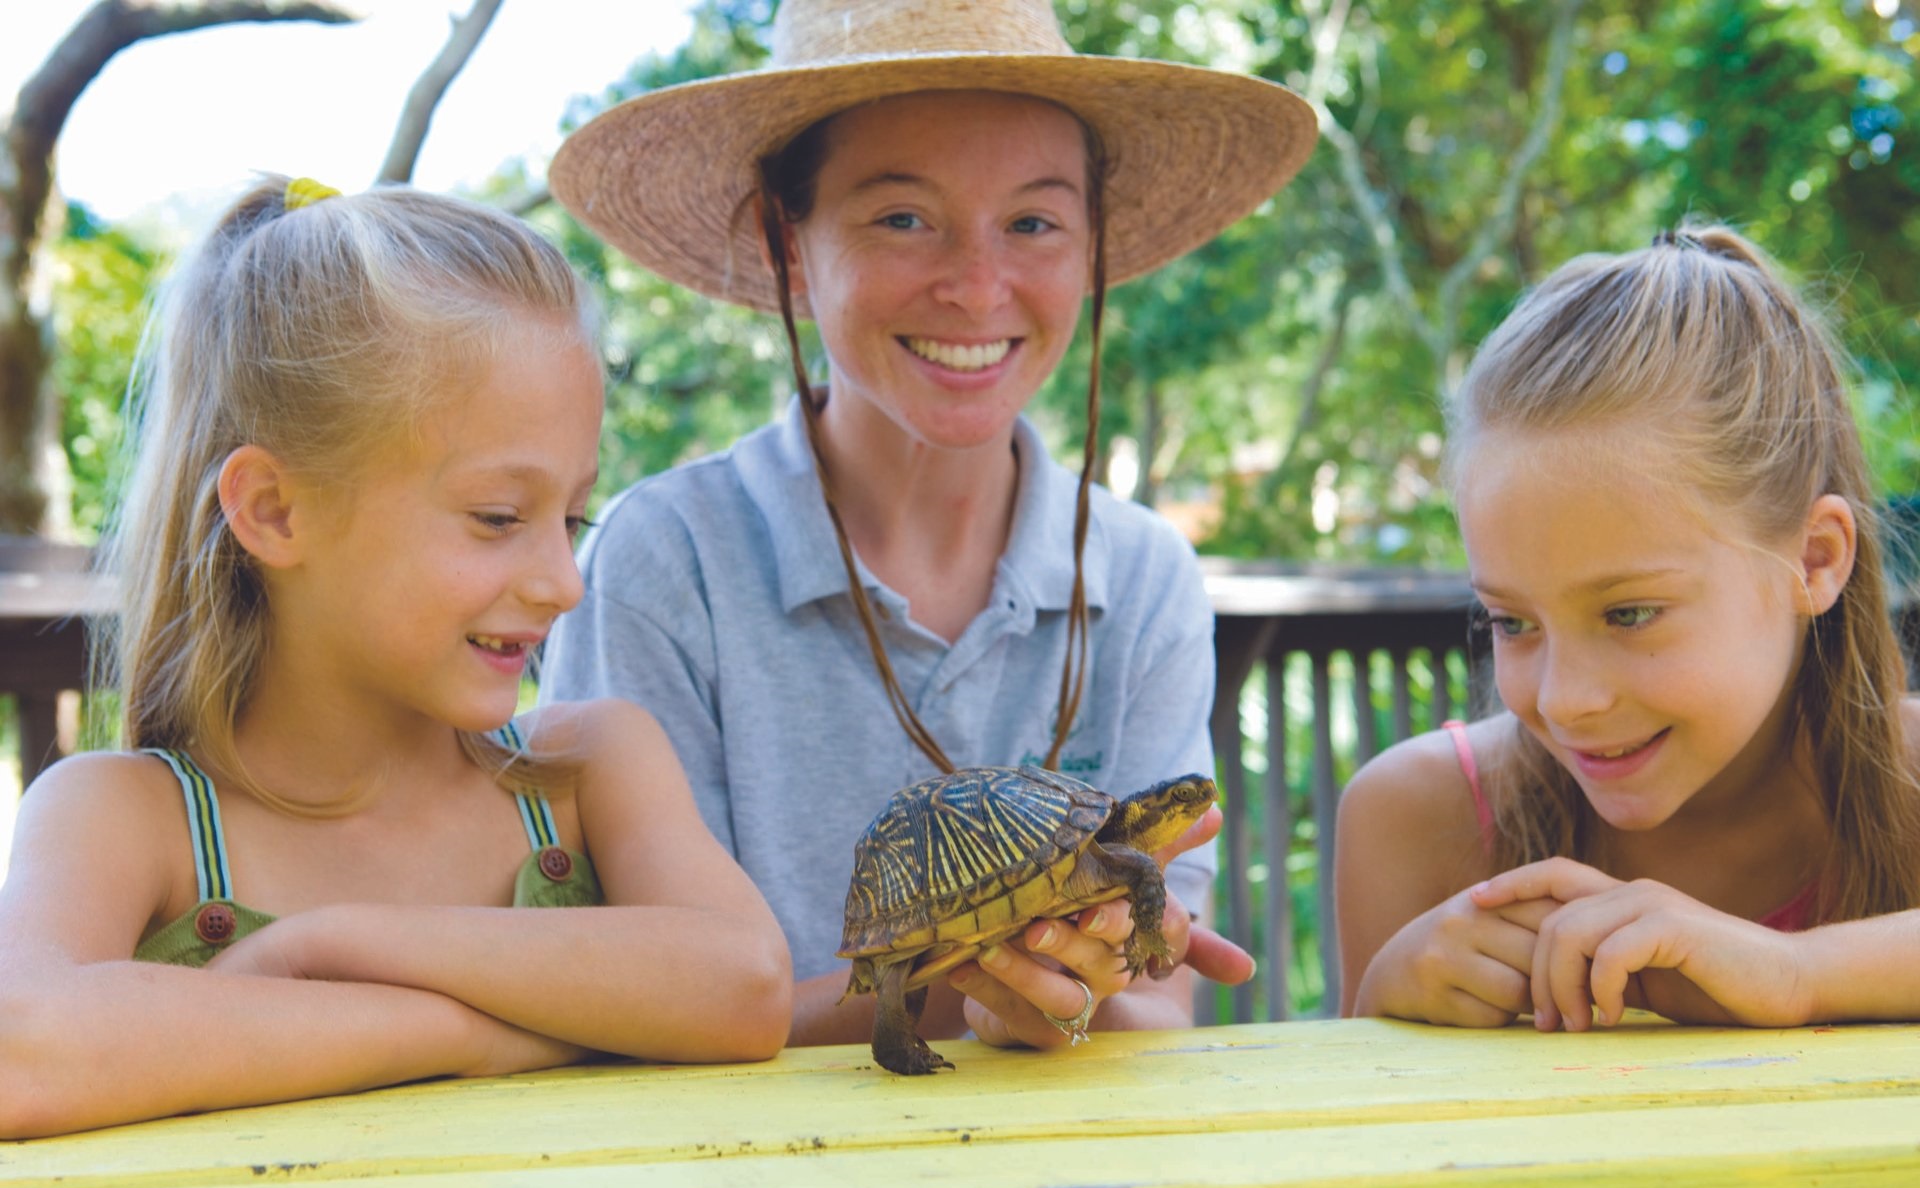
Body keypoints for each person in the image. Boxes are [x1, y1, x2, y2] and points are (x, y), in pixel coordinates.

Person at [540, 0, 1318, 1053]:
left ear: (1092, 244)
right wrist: (967, 987)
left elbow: (1150, 1004)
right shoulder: (664, 560)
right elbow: (631, 997)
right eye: (903, 217)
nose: (977, 286)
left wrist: (1084, 982)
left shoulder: (1142, 575)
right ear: (790, 239)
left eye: (1035, 222)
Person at [0, 178, 792, 1139]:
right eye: (498, 518)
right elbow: (21, 1053)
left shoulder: (589, 772)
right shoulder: (126, 819)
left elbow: (746, 986)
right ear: (275, 512)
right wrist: (475, 1034)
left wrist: (339, 943)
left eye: (571, 518)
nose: (563, 582)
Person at [1335, 225, 1920, 1032]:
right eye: (1511, 621)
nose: (1566, 701)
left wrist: (1797, 974)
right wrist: (1379, 1008)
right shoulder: (1419, 818)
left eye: (1630, 613)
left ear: (1813, 562)